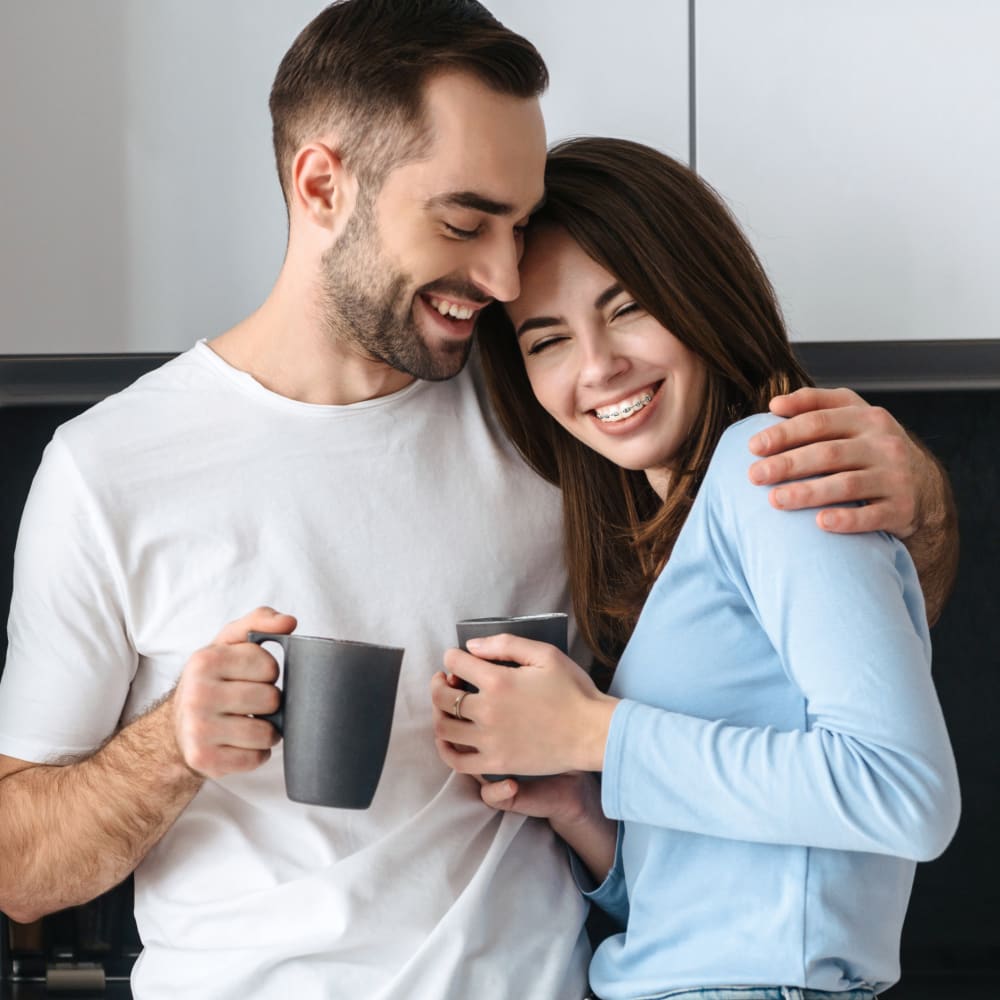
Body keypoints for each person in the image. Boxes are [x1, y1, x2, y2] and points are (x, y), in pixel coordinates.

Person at [0, 2, 955, 998]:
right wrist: (169, 748)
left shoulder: (551, 413)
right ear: (322, 184)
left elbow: (812, 644)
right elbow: (20, 869)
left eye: (518, 222)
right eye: (465, 221)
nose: (503, 276)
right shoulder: (109, 467)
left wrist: (914, 498)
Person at [431, 136, 961, 1000]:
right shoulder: (697, 518)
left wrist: (594, 733)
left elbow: (904, 794)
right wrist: (581, 805)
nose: (599, 367)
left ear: (699, 290)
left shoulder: (769, 467)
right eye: (548, 339)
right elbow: (728, 901)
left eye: (628, 306)